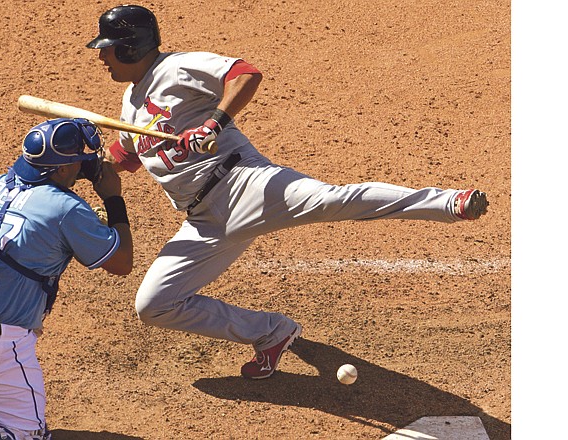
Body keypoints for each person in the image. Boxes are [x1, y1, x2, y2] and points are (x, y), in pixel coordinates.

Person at [86, 5, 489, 380]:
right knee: (154, 305)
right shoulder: (131, 100)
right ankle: (270, 332)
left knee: (334, 200)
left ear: (130, 45)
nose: (101, 58)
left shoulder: (176, 68)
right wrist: (90, 166)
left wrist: (213, 124)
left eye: (107, 50)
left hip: (244, 184)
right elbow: (128, 155)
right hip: (204, 221)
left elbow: (244, 73)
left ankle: (447, 202)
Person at [0, 118, 134, 439]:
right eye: (79, 157)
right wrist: (112, 199)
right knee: (25, 436)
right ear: (62, 170)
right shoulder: (66, 209)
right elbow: (121, 263)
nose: (86, 161)